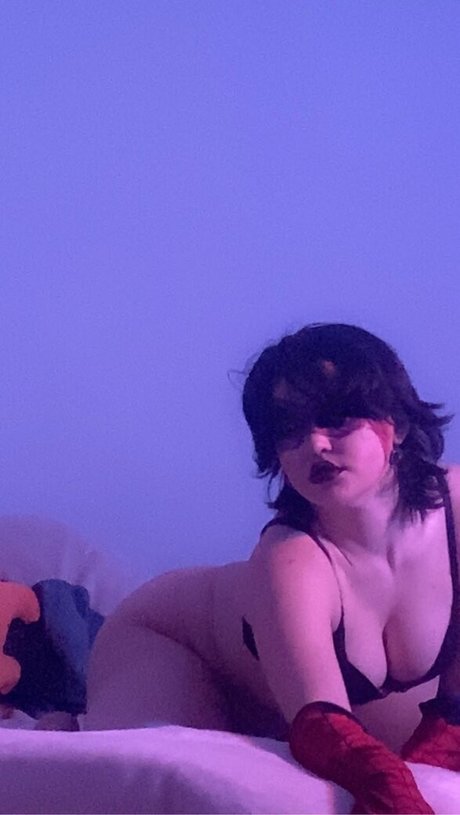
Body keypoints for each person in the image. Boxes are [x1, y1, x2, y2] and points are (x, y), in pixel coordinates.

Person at [85, 323, 460, 814]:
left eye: (336, 418)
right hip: (167, 640)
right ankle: (70, 726)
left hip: (287, 696)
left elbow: (453, 716)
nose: (315, 444)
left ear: (399, 424)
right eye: (290, 430)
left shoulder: (455, 509)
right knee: (162, 783)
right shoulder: (292, 556)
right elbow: (326, 731)